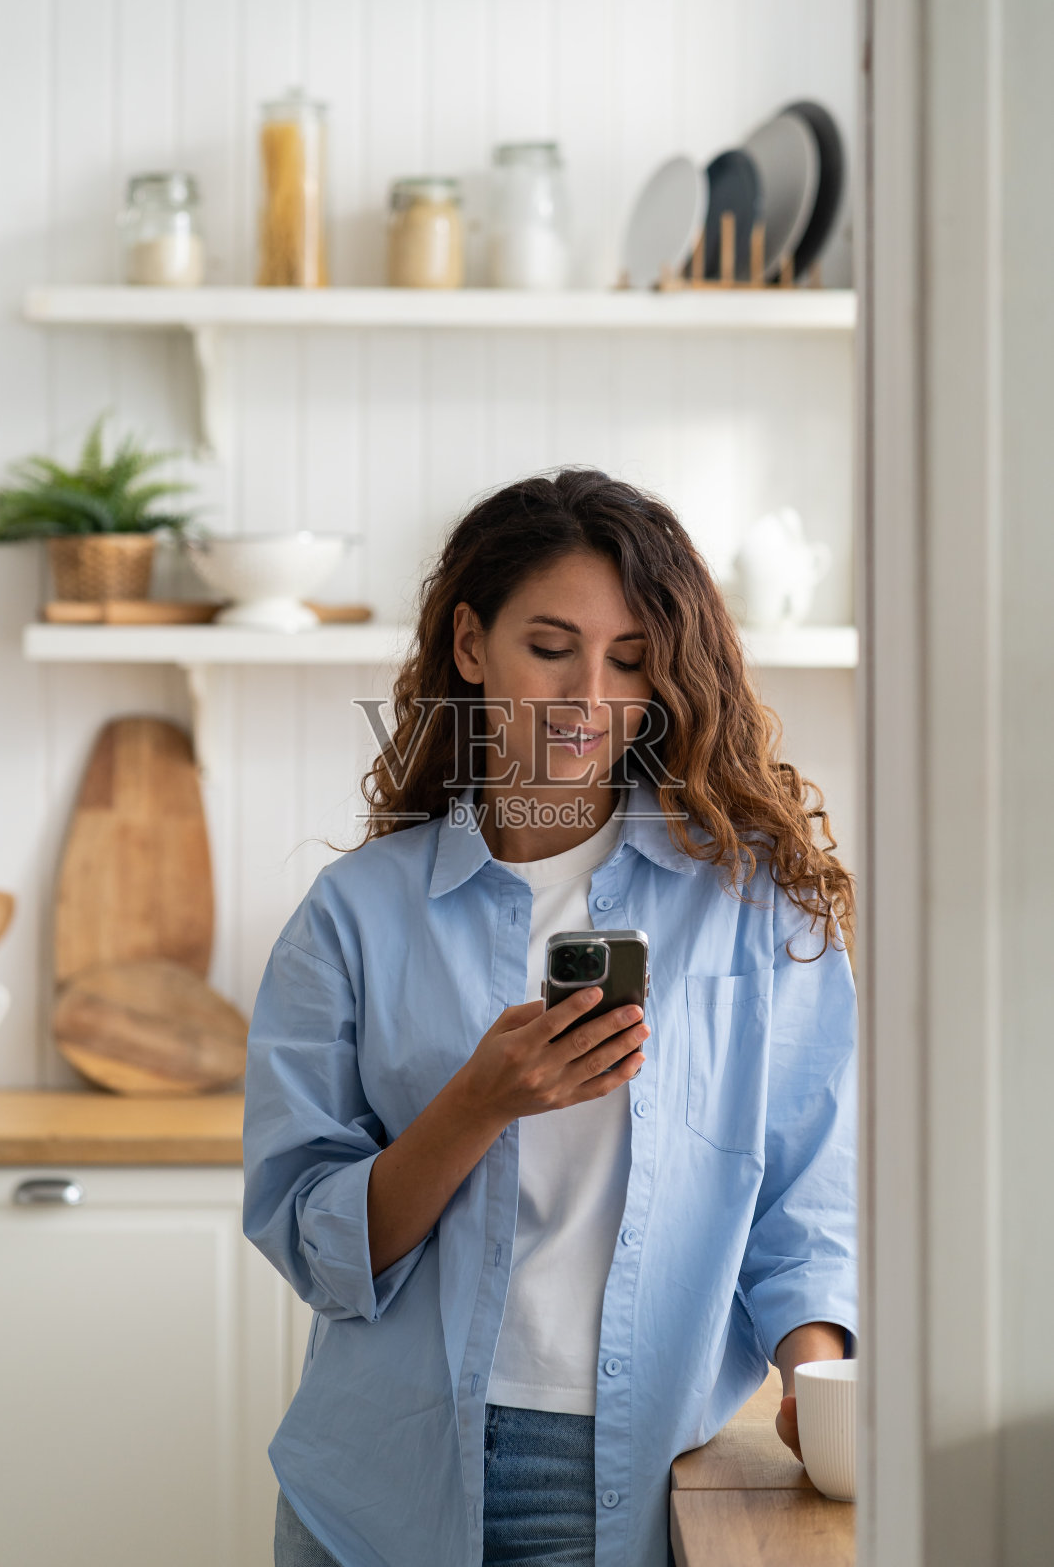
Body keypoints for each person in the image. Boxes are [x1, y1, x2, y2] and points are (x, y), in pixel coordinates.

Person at [243, 468, 858, 1567]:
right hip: (379, 1482)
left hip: (626, 1474)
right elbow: (318, 1247)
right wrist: (476, 1105)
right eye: (550, 646)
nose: (587, 695)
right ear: (470, 644)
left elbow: (803, 1194)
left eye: (629, 659)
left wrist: (819, 1393)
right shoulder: (355, 914)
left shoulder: (749, 905)